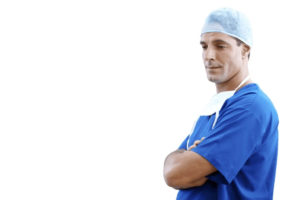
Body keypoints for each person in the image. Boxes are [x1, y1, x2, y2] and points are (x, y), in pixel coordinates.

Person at [163, 8, 279, 200]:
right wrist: (187, 162)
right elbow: (170, 169)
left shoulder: (251, 107)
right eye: (204, 46)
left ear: (245, 50)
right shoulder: (215, 109)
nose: (209, 55)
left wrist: (191, 162)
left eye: (220, 46)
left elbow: (178, 174)